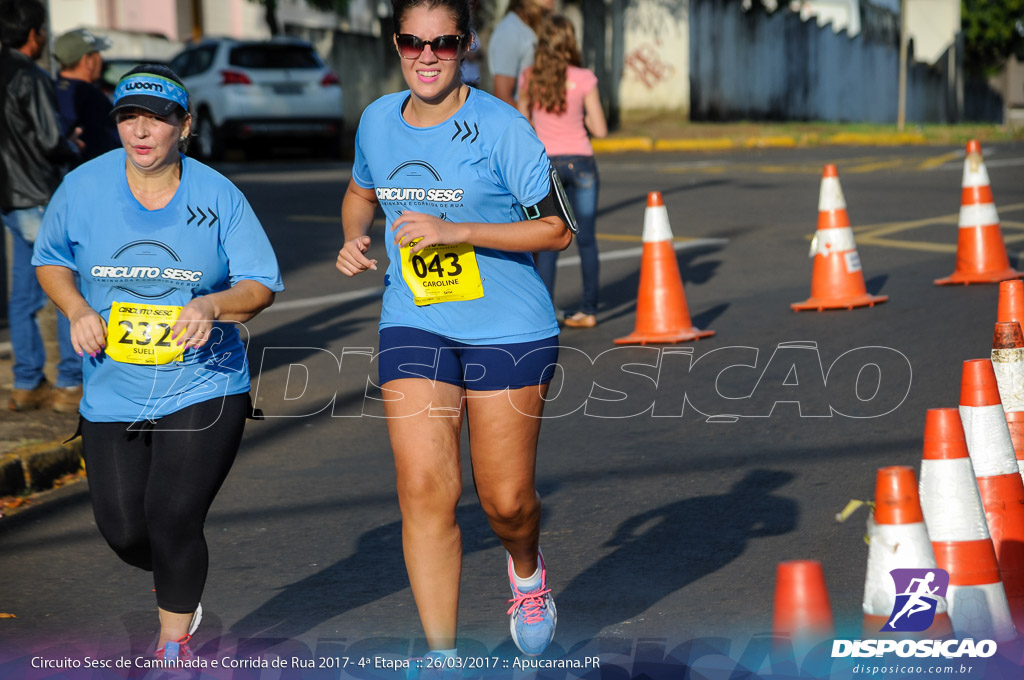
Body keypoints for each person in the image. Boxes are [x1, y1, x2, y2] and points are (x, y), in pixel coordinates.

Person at [336, 0, 572, 665]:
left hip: (509, 327)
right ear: (397, 43)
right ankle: (442, 657)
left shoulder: (503, 127)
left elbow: (556, 228)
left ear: (466, 46)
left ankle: (526, 573)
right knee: (424, 489)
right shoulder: (378, 121)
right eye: (413, 42)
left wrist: (457, 230)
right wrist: (354, 236)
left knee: (506, 502)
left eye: (444, 43)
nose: (427, 56)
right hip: (415, 318)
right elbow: (361, 191)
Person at [32, 64, 283, 663]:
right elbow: (50, 259)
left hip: (204, 382)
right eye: (128, 117)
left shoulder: (218, 194)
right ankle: (179, 578)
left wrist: (213, 304)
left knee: (172, 516)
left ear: (185, 125)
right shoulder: (83, 187)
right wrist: (75, 309)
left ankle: (174, 646)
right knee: (124, 530)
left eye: (157, 117)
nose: (142, 130)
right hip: (113, 385)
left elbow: (261, 285)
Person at [0, 0, 84, 412]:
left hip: (9, 199)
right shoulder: (29, 76)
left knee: (24, 294)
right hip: (38, 195)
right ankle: (70, 383)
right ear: (34, 34)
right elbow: (52, 141)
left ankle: (27, 382)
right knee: (66, 289)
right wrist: (74, 145)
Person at [519, 15, 606, 328]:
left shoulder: (529, 77)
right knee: (587, 240)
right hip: (582, 163)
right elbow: (600, 128)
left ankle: (545, 312)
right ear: (570, 43)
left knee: (549, 238)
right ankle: (588, 310)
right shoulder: (584, 78)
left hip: (546, 166)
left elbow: (521, 123)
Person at [54, 28, 120, 164]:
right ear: (88, 61)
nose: (101, 60)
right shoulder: (90, 95)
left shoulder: (50, 88)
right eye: (98, 54)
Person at [487, 0, 554, 107]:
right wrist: (530, 122)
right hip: (523, 121)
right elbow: (503, 97)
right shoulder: (510, 31)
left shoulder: (528, 27)